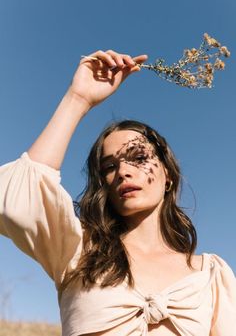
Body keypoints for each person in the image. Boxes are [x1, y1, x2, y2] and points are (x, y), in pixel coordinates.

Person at [0, 50, 236, 336]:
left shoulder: (210, 275)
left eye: (138, 158)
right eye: (109, 166)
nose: (123, 171)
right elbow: (16, 202)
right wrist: (78, 99)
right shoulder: (78, 250)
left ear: (168, 176)